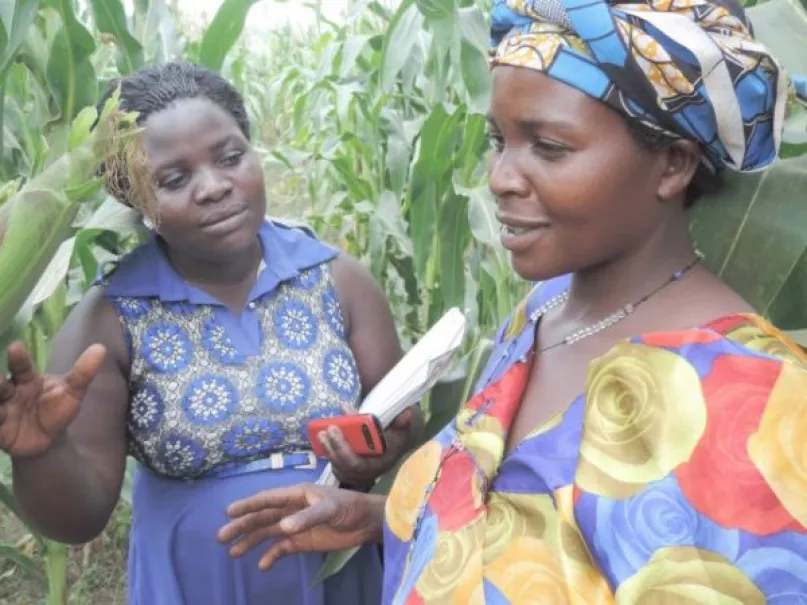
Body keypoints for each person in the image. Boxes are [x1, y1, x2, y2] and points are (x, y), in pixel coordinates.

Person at [217, 0, 807, 602]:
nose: (499, 176)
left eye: (548, 148)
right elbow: (520, 527)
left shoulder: (760, 403)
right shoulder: (541, 313)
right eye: (500, 140)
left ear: (674, 164)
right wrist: (379, 518)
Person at [0, 62, 416, 605]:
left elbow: (400, 414)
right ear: (134, 198)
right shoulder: (111, 320)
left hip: (338, 571)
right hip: (197, 582)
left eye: (230, 157)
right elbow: (78, 519)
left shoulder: (337, 279)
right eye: (174, 180)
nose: (215, 188)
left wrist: (377, 455)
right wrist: (41, 451)